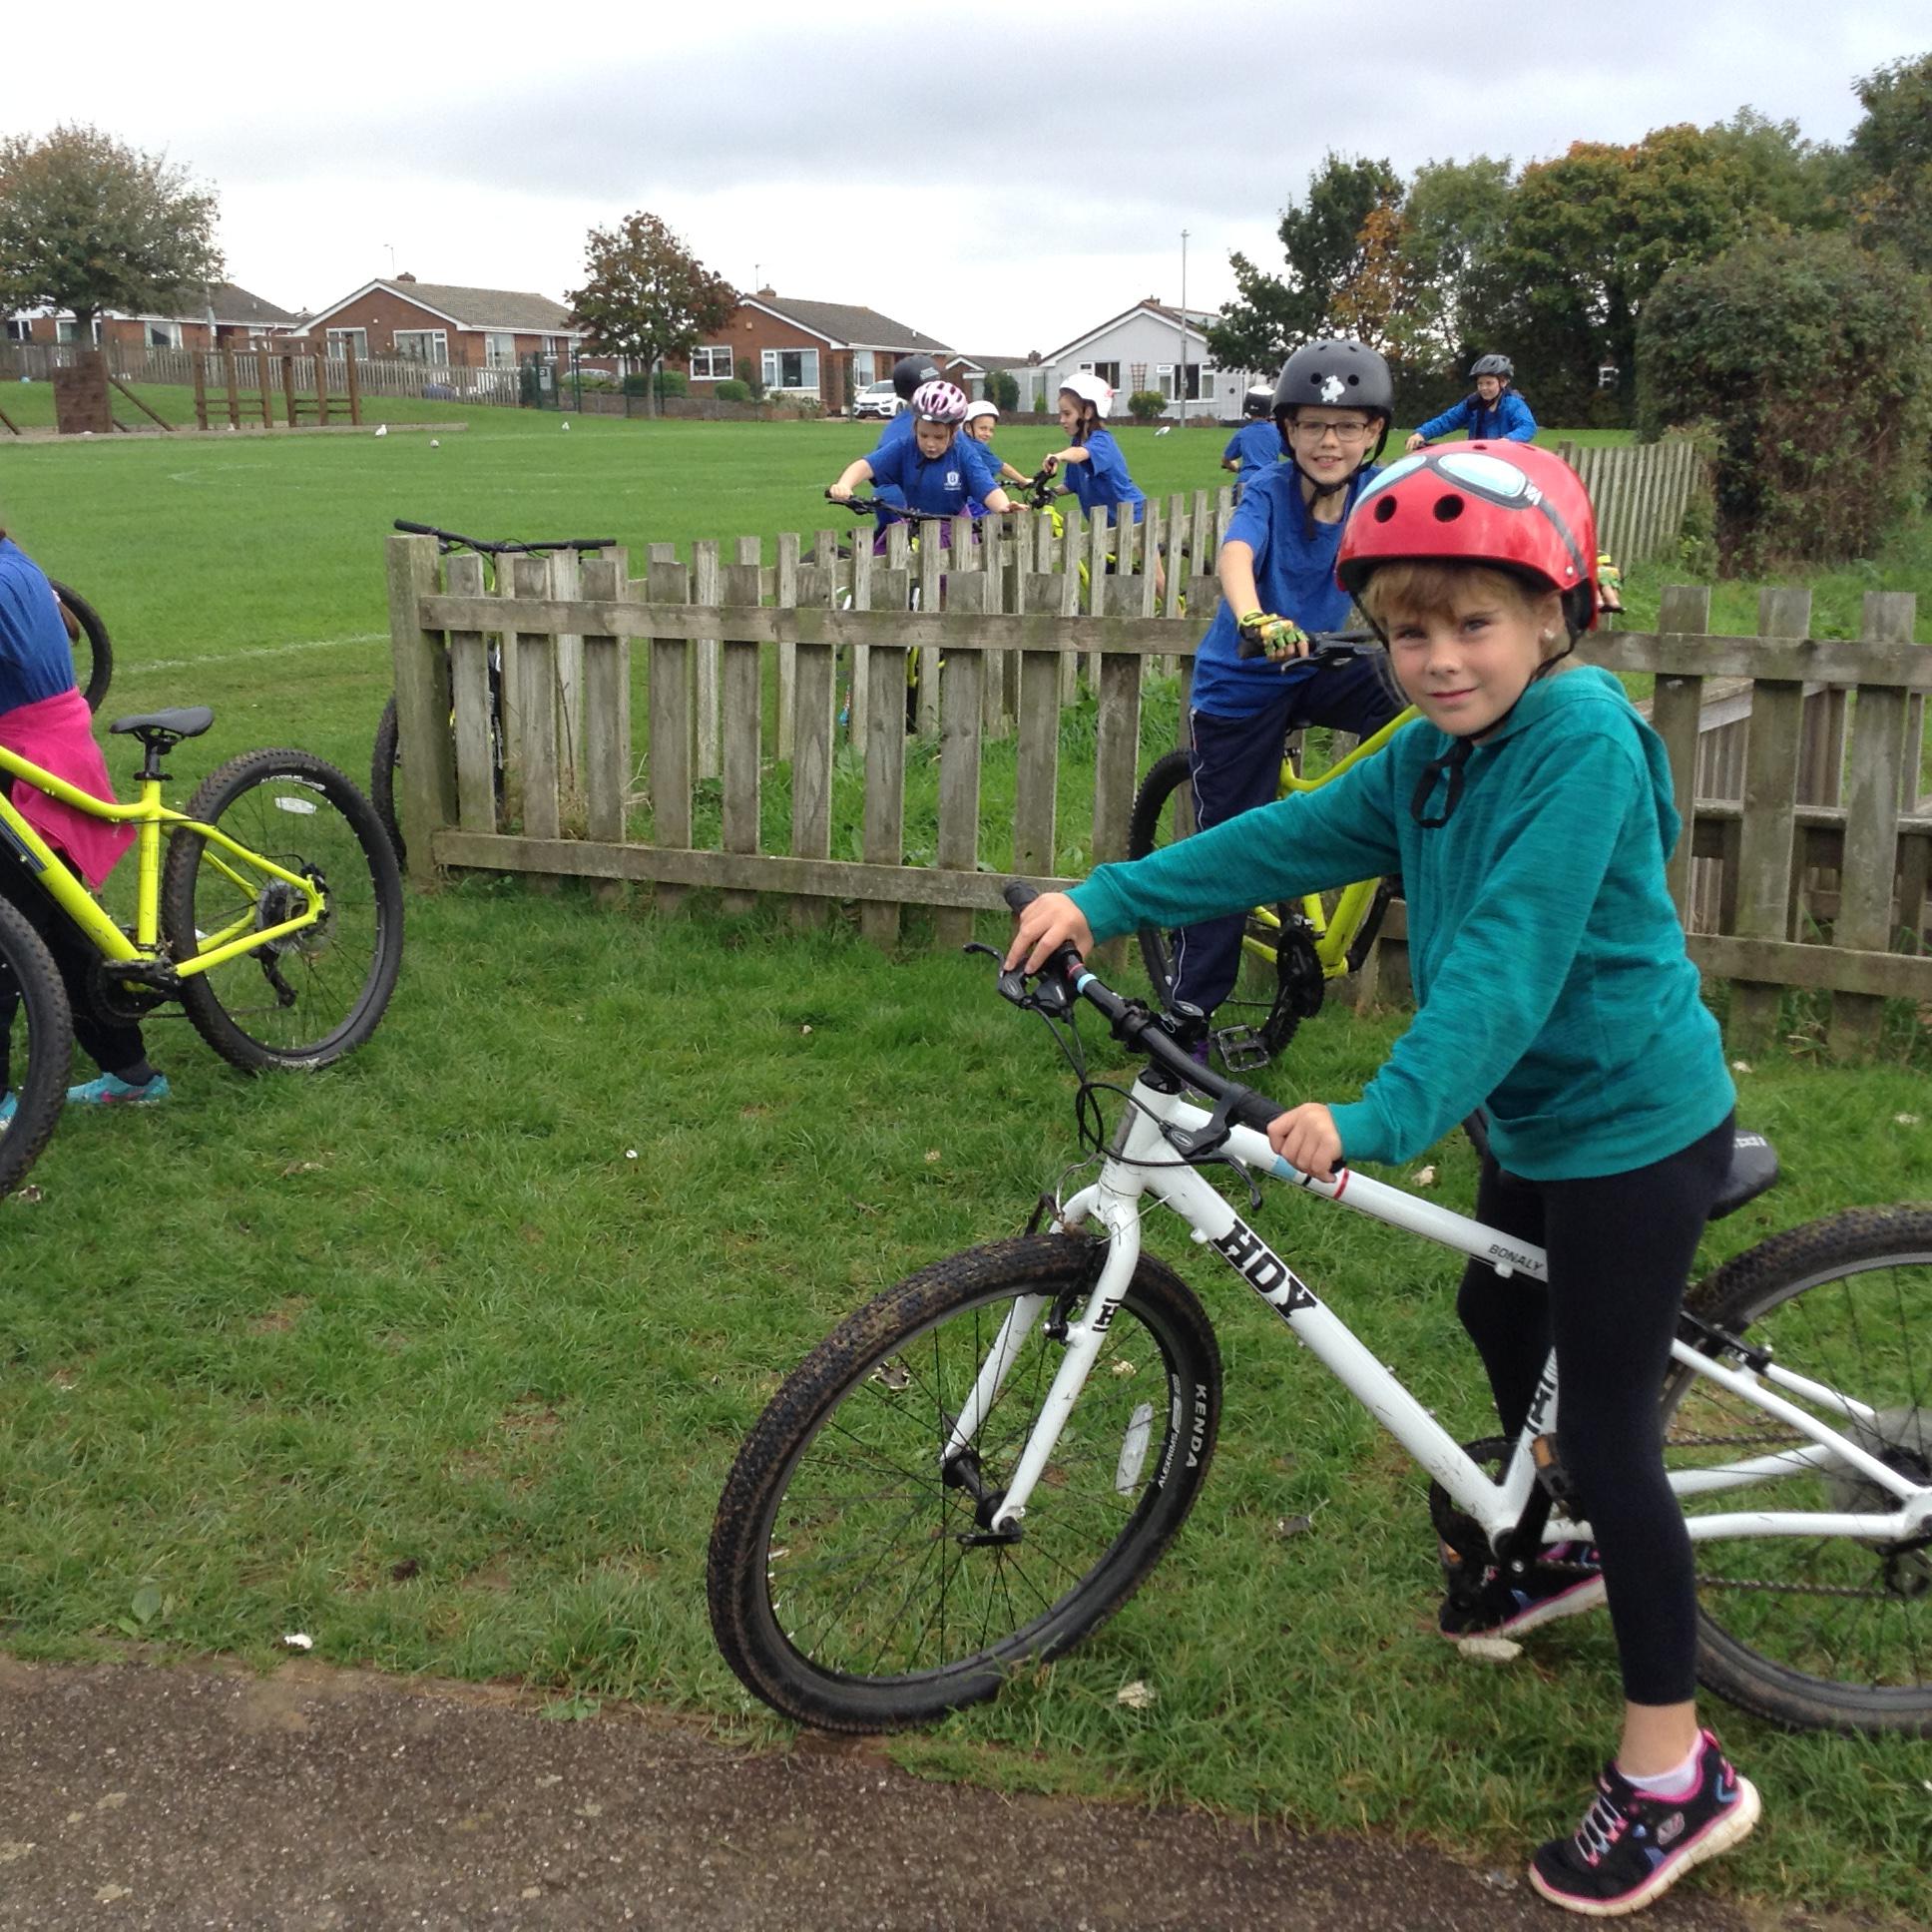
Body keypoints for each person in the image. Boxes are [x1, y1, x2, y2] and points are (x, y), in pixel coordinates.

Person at [1006, 442, 1758, 1917]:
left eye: (1473, 623)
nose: (1437, 658)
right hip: (1533, 1122)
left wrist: (1381, 1111)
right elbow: (1288, 835)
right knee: (1494, 1312)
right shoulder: (1434, 750)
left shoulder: (1580, 741)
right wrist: (1104, 894)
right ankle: (1546, 1548)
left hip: (1630, 1123)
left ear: (1554, 618)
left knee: (1613, 1443)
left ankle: (1677, 1773)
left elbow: (1508, 962)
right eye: (1408, 631)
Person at [1159, 339, 1406, 1046]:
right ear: (1288, 431)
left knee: (1418, 700)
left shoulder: (1379, 492)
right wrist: (1254, 618)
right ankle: (1186, 1025)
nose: (1330, 441)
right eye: (1313, 425)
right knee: (1228, 860)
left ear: (1374, 432)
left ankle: (1404, 836)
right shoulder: (1267, 489)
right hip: (1242, 682)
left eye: (1348, 426)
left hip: (1319, 663)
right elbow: (1237, 554)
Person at [0, 529, 167, 1119]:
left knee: (11, 932)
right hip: (44, 758)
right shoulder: (16, 563)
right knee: (59, 928)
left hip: (32, 769)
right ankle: (131, 1073)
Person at [827, 380, 1023, 523]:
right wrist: (844, 484)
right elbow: (866, 466)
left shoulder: (963, 454)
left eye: (939, 437)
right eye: (923, 435)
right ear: (915, 427)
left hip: (955, 532)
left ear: (954, 433)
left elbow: (988, 488)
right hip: (915, 526)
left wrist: (1004, 507)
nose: (930, 444)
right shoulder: (905, 447)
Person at [1405, 353, 1537, 450]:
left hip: (1506, 462)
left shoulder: (1514, 404)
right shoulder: (1473, 404)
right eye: (1480, 383)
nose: (1483, 388)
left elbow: (1527, 426)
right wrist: (1421, 434)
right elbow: (1448, 420)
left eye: (1489, 383)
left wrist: (1507, 441)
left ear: (1503, 382)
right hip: (1477, 459)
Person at [961, 399, 1030, 517]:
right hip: (972, 504)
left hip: (962, 503)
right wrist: (1023, 481)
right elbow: (1002, 467)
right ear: (968, 428)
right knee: (997, 520)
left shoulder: (962, 444)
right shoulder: (976, 447)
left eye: (991, 430)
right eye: (983, 428)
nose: (987, 433)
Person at [1220, 383, 1282, 483]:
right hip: (1269, 480)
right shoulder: (1277, 433)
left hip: (1247, 480)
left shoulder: (1243, 433)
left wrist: (1236, 468)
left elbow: (1226, 460)